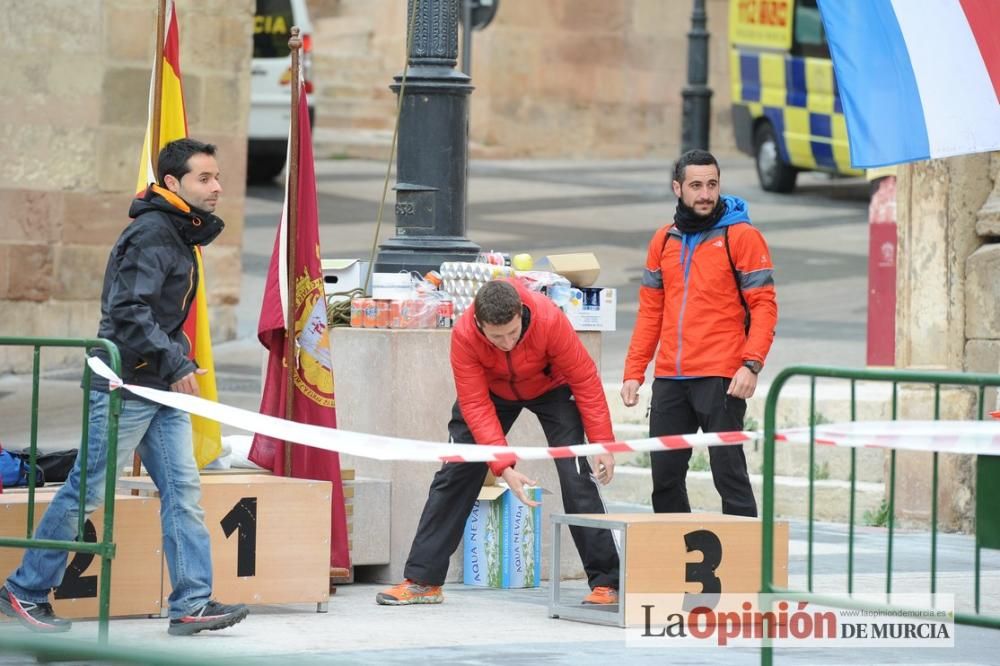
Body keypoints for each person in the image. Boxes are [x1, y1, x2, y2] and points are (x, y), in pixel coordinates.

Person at [0, 139, 249, 636]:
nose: (217, 187)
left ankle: (191, 603)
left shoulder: (176, 234)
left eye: (218, 177)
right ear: (173, 184)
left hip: (158, 386)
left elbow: (155, 314)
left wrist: (177, 362)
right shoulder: (153, 234)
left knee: (183, 492)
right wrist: (176, 361)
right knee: (86, 490)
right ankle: (23, 590)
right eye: (205, 178)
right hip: (126, 384)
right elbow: (127, 312)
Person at [377, 279, 620, 606]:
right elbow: (475, 405)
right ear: (479, 323)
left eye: (512, 332)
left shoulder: (549, 319)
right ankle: (423, 580)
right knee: (455, 473)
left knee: (576, 473)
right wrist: (504, 467)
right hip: (490, 394)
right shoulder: (463, 335)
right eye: (496, 337)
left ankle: (608, 583)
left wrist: (602, 442)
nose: (506, 342)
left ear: (521, 313)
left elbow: (585, 378)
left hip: (553, 388)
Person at [621, 149, 777, 517]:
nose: (705, 194)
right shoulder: (662, 240)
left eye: (712, 184)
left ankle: (746, 566)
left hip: (721, 375)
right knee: (665, 477)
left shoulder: (742, 236)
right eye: (695, 185)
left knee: (729, 474)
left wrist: (751, 365)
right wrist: (633, 371)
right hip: (671, 378)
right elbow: (650, 313)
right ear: (677, 188)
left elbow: (765, 306)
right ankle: (677, 562)